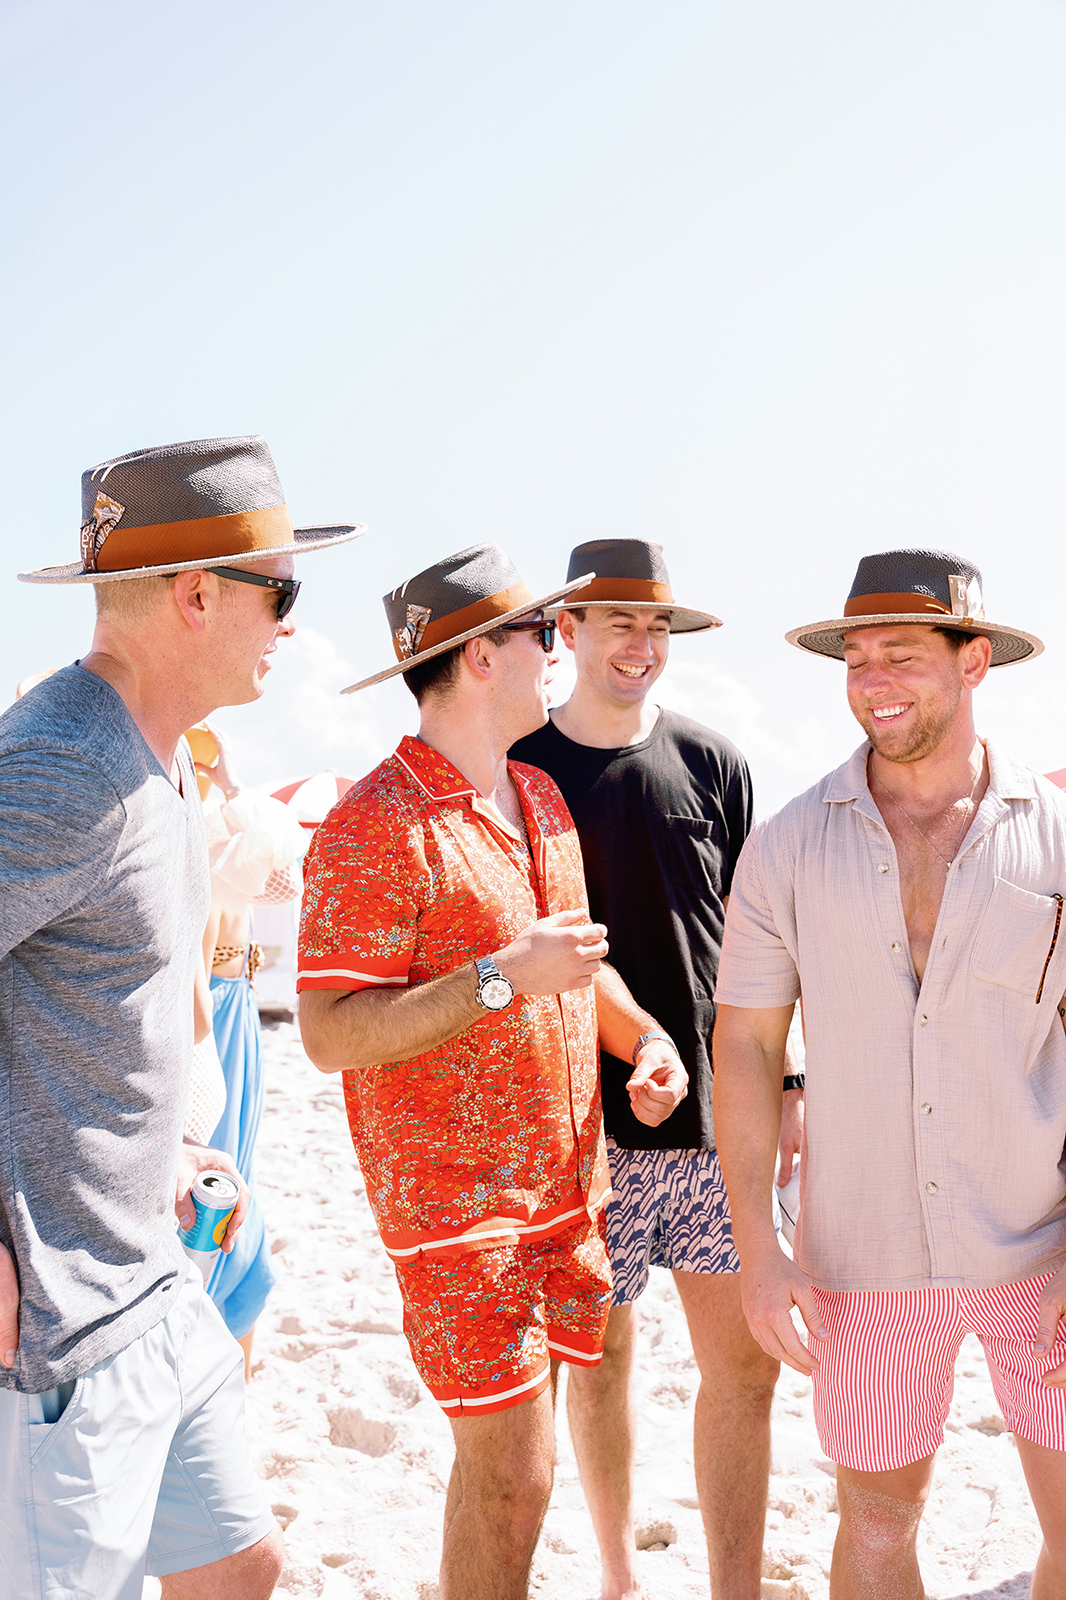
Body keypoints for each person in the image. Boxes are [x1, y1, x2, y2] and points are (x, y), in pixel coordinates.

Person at [0, 434, 362, 1600]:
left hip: (151, 1281)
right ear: (197, 594)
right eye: (282, 592)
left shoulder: (151, 760)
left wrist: (171, 1146)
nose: (292, 626)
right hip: (59, 1333)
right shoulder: (63, 764)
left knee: (237, 1566)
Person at [297, 544, 687, 1600]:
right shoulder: (373, 821)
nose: (559, 651)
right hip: (455, 1211)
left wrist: (644, 1041)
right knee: (516, 1476)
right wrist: (501, 977)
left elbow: (578, 969)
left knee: (503, 1476)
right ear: (478, 658)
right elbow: (329, 1031)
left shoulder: (538, 798)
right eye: (542, 633)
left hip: (565, 1193)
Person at [711, 548, 1066, 1599]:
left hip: (1038, 1244)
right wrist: (756, 1245)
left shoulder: (1053, 842)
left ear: (974, 664)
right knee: (872, 1533)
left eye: (900, 655)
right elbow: (744, 1045)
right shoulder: (783, 847)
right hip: (859, 1252)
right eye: (854, 658)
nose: (871, 680)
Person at [511, 538, 800, 1600]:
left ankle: (735, 1587)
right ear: (568, 632)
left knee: (743, 1369)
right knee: (601, 1361)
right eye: (619, 622)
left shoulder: (716, 763)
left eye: (658, 624)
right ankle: (619, 1574)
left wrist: (792, 1083)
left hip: (723, 1122)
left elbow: (754, 945)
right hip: (580, 1128)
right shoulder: (523, 771)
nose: (642, 644)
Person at [195, 726, 308, 1376]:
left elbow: (281, 883)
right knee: (213, 1181)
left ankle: (227, 1385)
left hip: (231, 999)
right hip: (198, 1002)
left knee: (238, 1173)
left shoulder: (227, 814)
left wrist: (230, 784)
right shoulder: (159, 815)